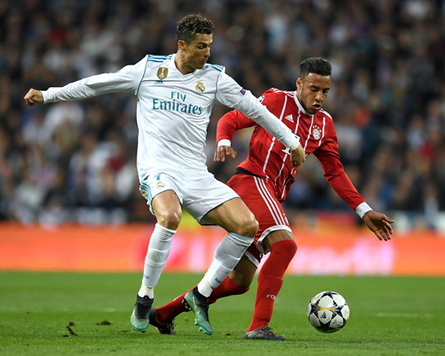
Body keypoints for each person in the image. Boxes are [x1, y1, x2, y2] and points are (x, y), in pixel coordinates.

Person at [23, 14, 306, 336]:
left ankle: (200, 295)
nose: (207, 53)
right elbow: (97, 84)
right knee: (169, 217)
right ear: (182, 45)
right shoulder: (149, 70)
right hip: (158, 168)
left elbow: (257, 111)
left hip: (195, 173)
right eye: (201, 46)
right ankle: (145, 297)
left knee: (247, 226)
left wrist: (292, 141)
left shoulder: (214, 78)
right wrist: (48, 94)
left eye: (210, 46)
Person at [148, 57, 394, 340]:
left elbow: (335, 172)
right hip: (251, 182)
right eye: (314, 88)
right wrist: (225, 141)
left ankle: (163, 314)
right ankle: (258, 327)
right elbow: (231, 118)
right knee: (285, 246)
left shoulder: (324, 124)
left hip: (270, 194)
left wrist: (364, 211)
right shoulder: (276, 100)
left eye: (325, 91)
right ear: (299, 83)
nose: (320, 97)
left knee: (239, 281)